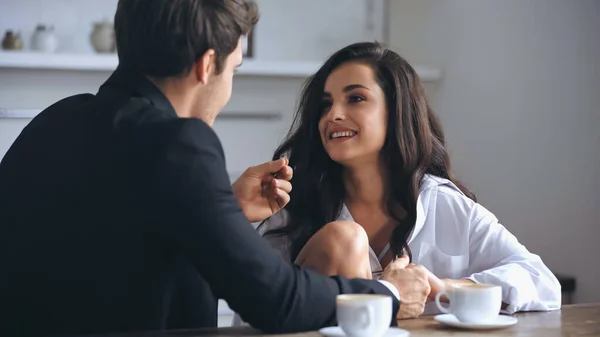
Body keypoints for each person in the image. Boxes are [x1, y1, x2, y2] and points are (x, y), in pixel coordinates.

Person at [0, 3, 432, 337]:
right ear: (206, 66)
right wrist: (390, 293)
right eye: (235, 70)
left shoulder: (55, 120)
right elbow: (276, 298)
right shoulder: (178, 143)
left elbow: (113, 245)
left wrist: (224, 204)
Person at [253, 42, 562, 316]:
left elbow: (542, 282)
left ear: (396, 110)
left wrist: (442, 288)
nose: (333, 114)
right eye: (325, 104)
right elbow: (253, 310)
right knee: (343, 239)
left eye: (355, 98)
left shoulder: (445, 204)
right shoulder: (294, 206)